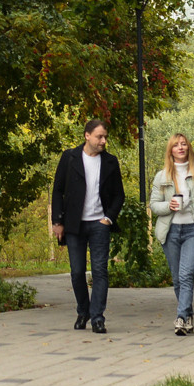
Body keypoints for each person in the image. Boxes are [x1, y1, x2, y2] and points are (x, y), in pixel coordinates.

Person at [50, 119, 124, 334]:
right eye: (100, 136)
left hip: (100, 224)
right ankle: (83, 311)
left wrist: (108, 218)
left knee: (100, 271)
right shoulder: (69, 157)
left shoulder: (110, 162)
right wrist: (57, 221)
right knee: (77, 272)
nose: (103, 140)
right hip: (74, 225)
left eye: (105, 137)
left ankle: (98, 317)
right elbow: (58, 190)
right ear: (87, 136)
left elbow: (119, 194)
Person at [150, 132, 194, 337]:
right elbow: (153, 205)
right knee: (177, 278)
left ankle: (181, 317)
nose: (180, 148)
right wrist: (169, 205)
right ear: (171, 150)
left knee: (186, 275)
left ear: (189, 148)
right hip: (170, 232)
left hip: (192, 231)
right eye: (176, 145)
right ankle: (188, 314)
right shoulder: (162, 177)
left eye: (184, 144)